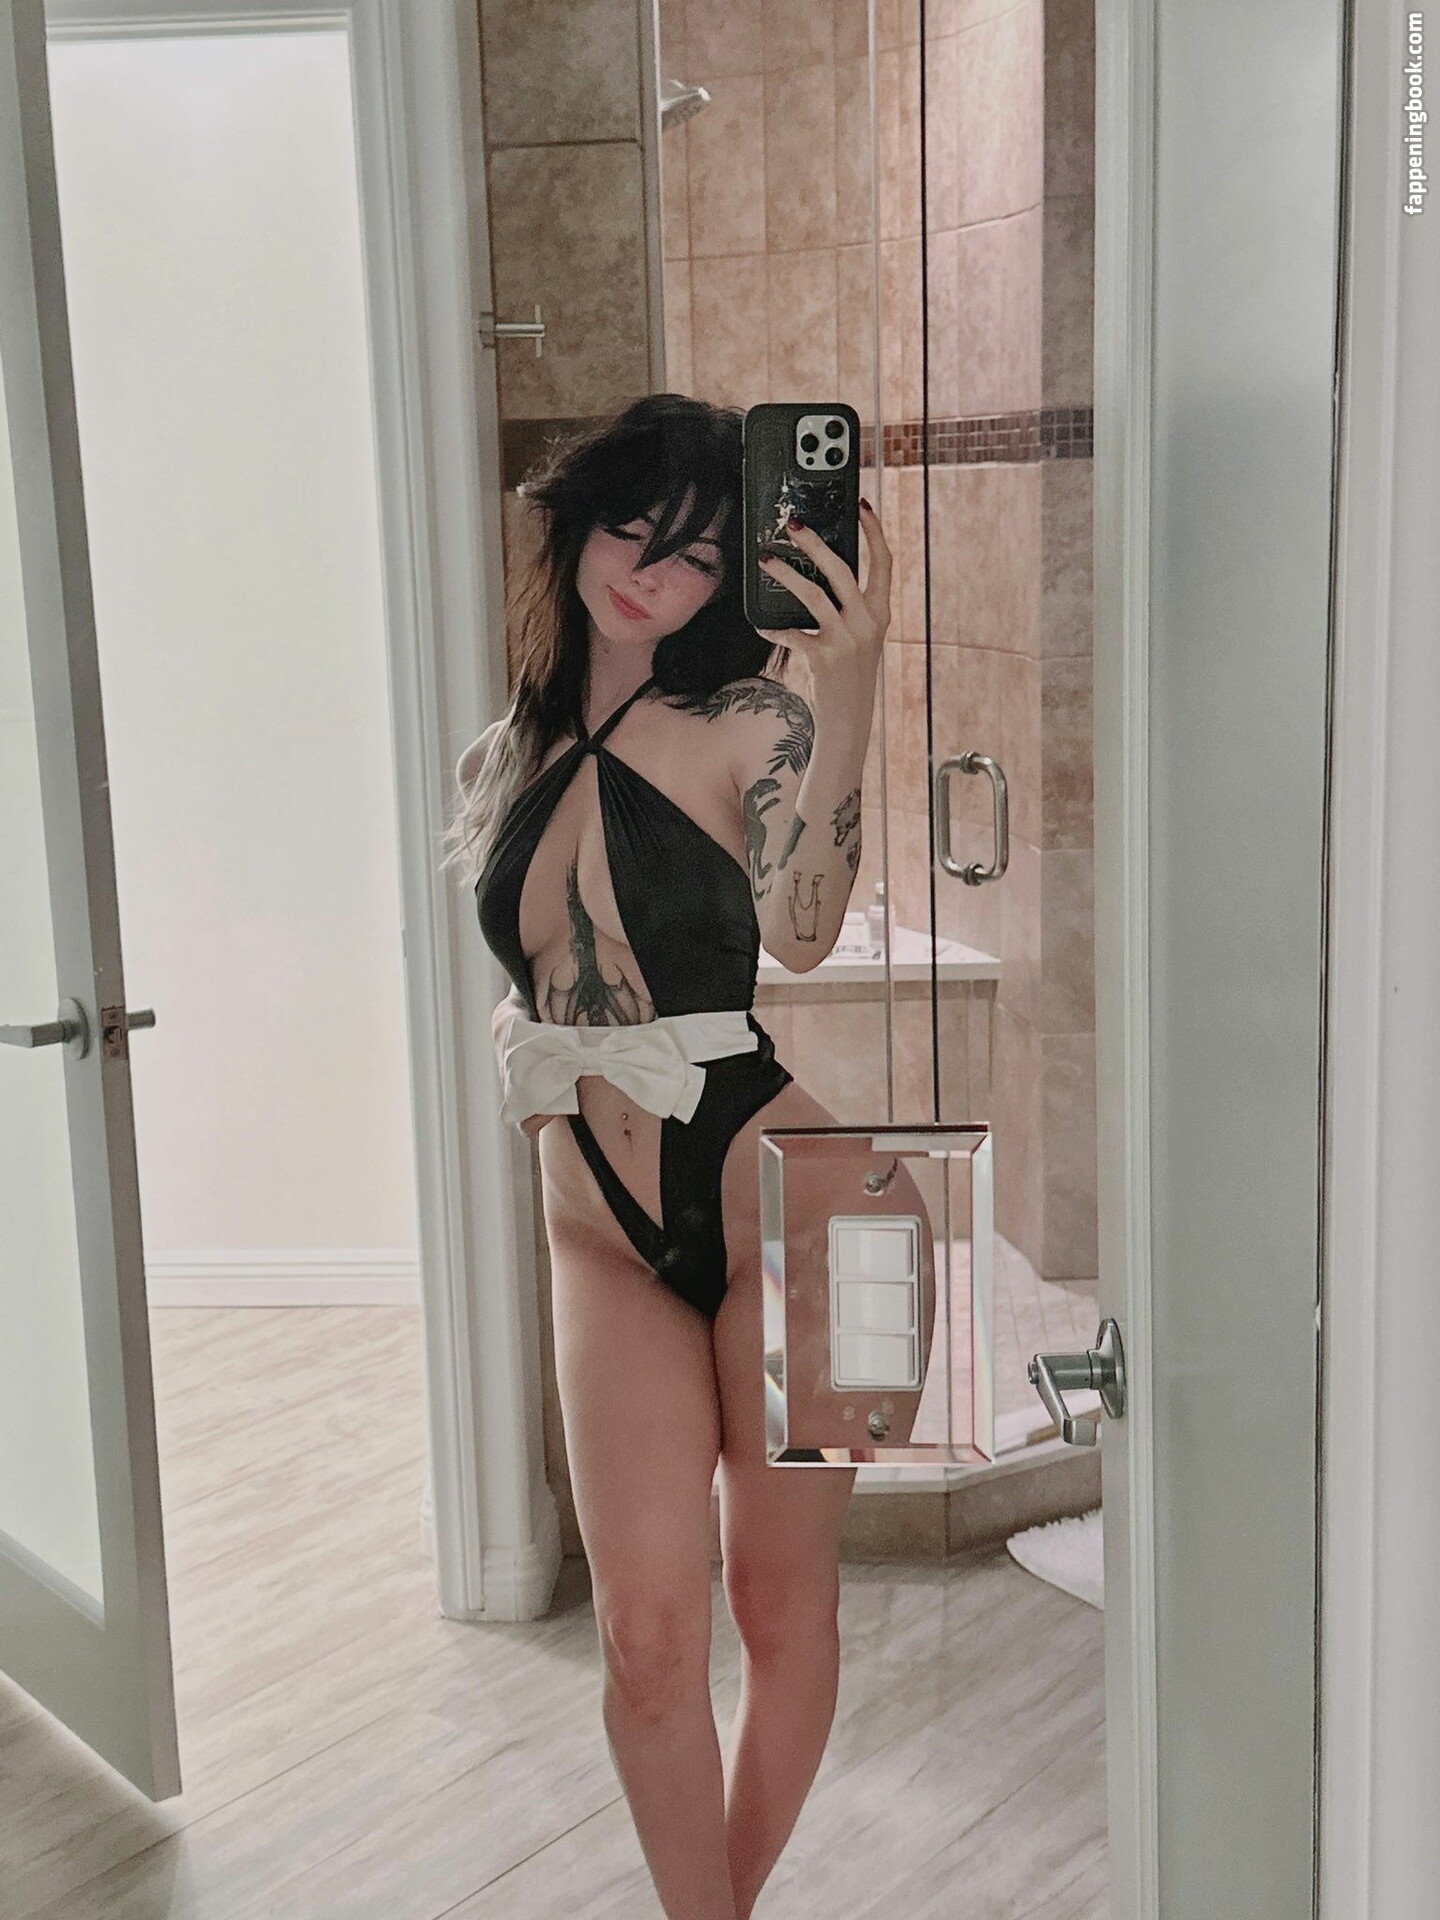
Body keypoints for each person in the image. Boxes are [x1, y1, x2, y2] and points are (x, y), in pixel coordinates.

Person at [442, 392, 925, 1920]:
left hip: (812, 1208)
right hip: (599, 1228)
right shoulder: (502, 754)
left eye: (704, 555)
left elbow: (804, 931)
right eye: (635, 529)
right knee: (646, 1640)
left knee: (778, 1606)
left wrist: (852, 681)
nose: (655, 571)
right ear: (577, 527)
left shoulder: (753, 724)